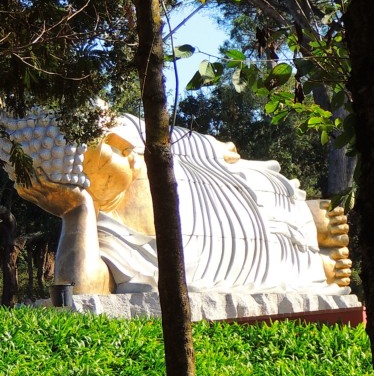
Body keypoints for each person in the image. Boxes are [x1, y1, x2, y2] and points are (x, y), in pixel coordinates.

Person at [4, 110, 353, 295]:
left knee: (271, 191)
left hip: (216, 183)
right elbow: (80, 293)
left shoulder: (125, 133)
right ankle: (312, 266)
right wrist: (76, 212)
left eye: (110, 129)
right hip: (229, 257)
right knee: (285, 266)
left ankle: (304, 219)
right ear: (70, 183)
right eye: (107, 149)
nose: (122, 142)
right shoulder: (103, 234)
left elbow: (172, 139)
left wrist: (213, 146)